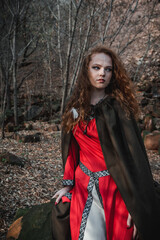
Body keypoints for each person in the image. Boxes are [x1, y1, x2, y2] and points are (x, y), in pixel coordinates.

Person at [53, 46, 160, 240]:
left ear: (113, 73)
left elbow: (135, 159)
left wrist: (136, 206)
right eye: (96, 67)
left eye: (108, 69)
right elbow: (72, 150)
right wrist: (67, 185)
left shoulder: (118, 108)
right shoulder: (75, 107)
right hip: (84, 186)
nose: (102, 73)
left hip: (117, 187)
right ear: (87, 70)